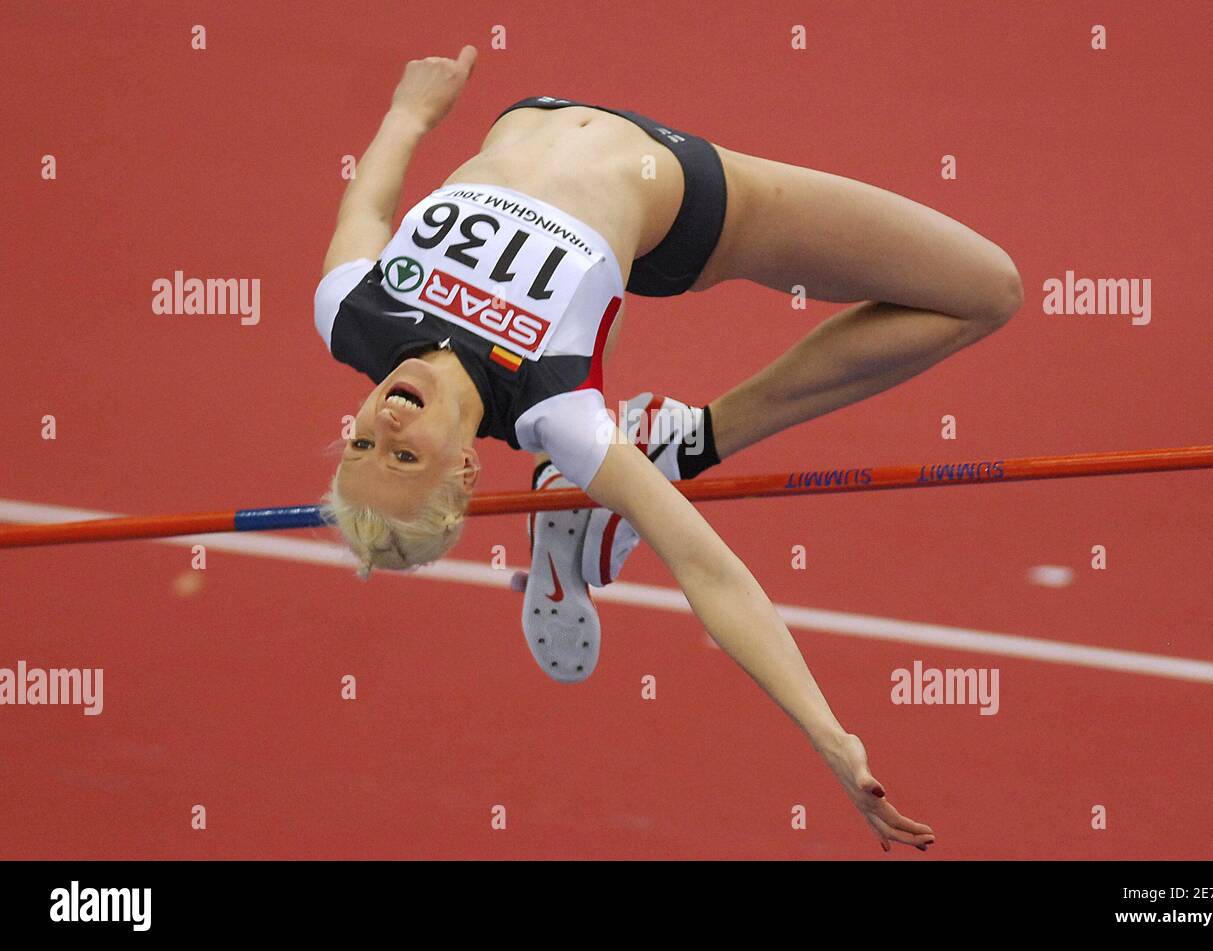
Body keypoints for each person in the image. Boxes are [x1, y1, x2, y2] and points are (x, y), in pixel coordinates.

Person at [313, 46, 1022, 851]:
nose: (387, 426)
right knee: (985, 287)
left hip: (543, 106)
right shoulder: (554, 411)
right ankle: (693, 439)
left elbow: (367, 213)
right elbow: (706, 569)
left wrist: (410, 113)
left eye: (362, 443)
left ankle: (668, 445)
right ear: (467, 466)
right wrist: (829, 734)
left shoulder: (349, 313)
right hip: (692, 200)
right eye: (403, 458)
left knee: (981, 287)